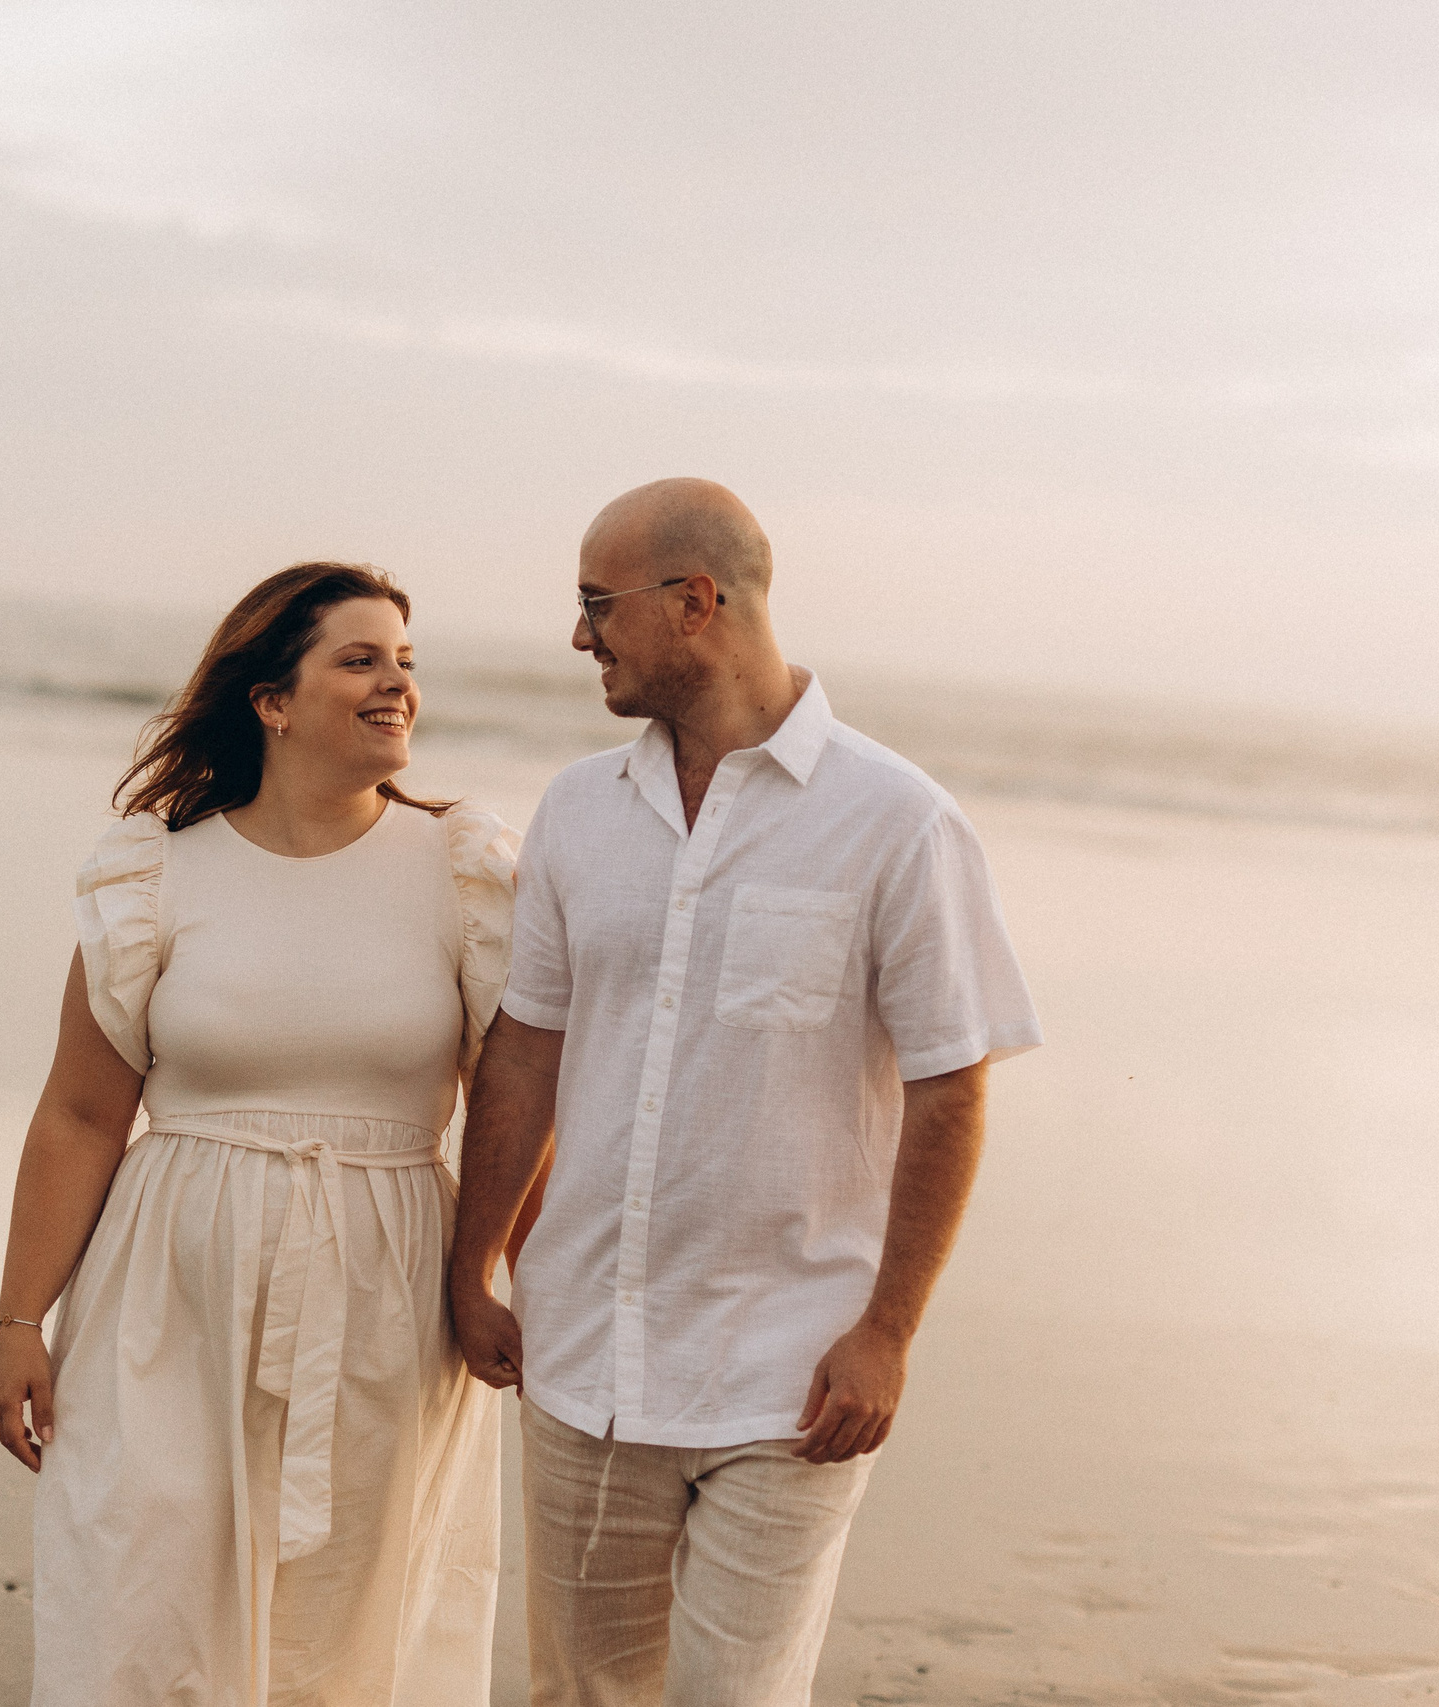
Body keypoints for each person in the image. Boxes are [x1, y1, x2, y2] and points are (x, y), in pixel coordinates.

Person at [448, 480, 1043, 1707]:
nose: (578, 637)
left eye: (595, 605)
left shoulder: (897, 822)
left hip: (793, 1378)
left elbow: (950, 1085)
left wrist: (887, 1331)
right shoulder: (576, 813)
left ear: (693, 604)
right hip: (584, 1356)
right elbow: (522, 1051)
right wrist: (473, 1268)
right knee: (583, 1696)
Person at [0, 562, 529, 1707]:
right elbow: (81, 1115)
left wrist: (488, 1273)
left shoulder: (464, 872)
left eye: (407, 663)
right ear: (271, 701)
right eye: (361, 658)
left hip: (388, 1288)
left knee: (351, 1613)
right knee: (146, 1601)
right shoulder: (155, 874)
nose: (397, 685)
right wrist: (20, 1319)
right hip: (168, 1288)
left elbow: (517, 1107)